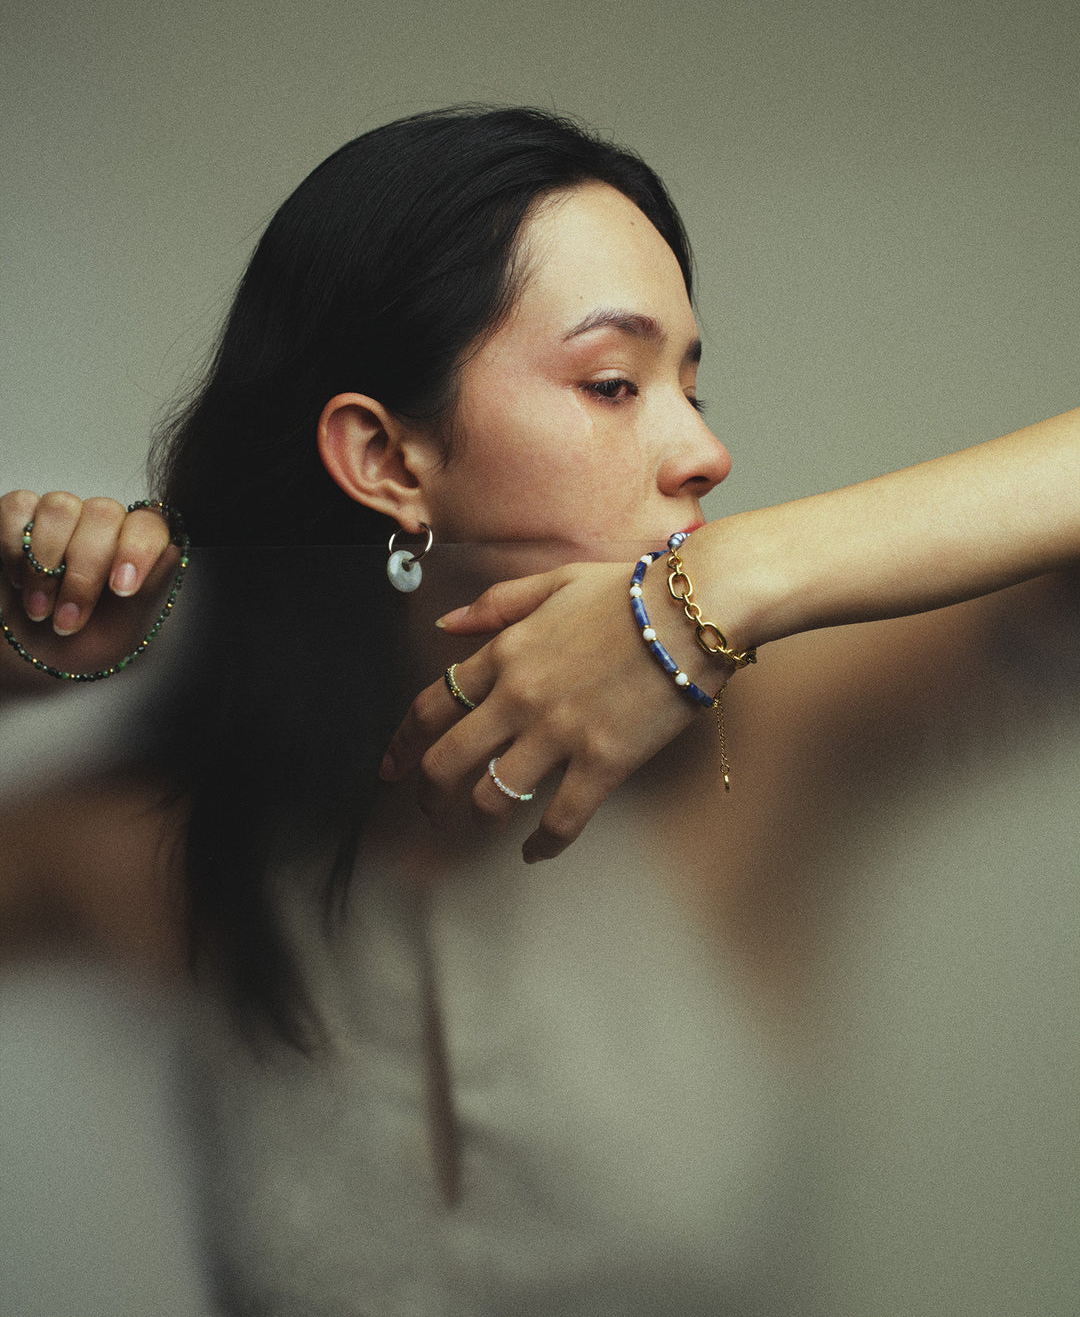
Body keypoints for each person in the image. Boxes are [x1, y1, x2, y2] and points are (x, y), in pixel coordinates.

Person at [1, 106, 1077, 1315]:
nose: (706, 450)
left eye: (691, 384)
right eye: (614, 382)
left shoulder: (769, 752)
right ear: (387, 461)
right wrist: (19, 664)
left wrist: (724, 584)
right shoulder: (163, 853)